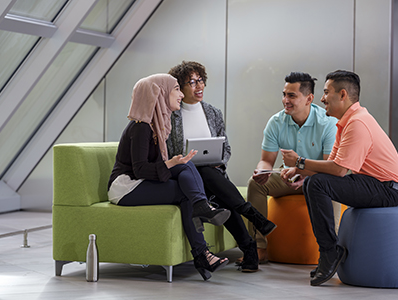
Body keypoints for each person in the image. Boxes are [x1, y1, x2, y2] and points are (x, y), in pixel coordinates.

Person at [280, 70, 398, 286]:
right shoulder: (345, 122)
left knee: (316, 183)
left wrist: (300, 162)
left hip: (387, 189)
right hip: (370, 183)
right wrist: (301, 171)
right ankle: (329, 251)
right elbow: (334, 167)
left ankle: (330, 252)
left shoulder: (358, 123)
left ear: (342, 95)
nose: (322, 98)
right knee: (313, 182)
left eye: (326, 92)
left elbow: (339, 171)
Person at [107, 73, 232, 281]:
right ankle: (202, 252)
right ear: (160, 94)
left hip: (142, 181)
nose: (181, 94)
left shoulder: (158, 125)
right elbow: (139, 170)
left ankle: (202, 208)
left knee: (187, 166)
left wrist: (177, 163)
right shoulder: (141, 127)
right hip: (127, 187)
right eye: (176, 89)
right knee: (184, 192)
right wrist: (171, 163)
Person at [167, 61, 276, 272]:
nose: (199, 86)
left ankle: (249, 248)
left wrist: (221, 161)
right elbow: (168, 152)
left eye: (201, 80)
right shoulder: (171, 114)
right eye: (192, 82)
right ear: (180, 86)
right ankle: (253, 220)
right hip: (184, 176)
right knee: (210, 179)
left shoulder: (213, 112)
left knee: (213, 182)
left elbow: (225, 148)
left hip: (212, 175)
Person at [247, 72, 339, 263]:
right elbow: (267, 160)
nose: (285, 100)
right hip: (287, 177)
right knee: (255, 184)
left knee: (333, 186)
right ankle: (258, 248)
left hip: (318, 178)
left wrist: (305, 174)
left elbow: (330, 168)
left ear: (309, 98)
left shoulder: (328, 123)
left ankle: (331, 251)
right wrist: (262, 170)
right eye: (284, 94)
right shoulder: (276, 122)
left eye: (291, 96)